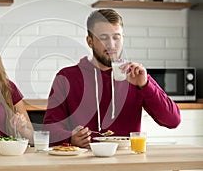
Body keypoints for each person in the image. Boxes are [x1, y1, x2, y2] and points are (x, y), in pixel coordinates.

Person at [43, 9, 181, 148]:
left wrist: (145, 86)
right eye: (103, 38)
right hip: (82, 162)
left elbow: (173, 121)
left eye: (116, 37)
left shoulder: (136, 76)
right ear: (89, 41)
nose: (111, 44)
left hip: (126, 162)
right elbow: (49, 130)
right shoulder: (66, 77)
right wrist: (70, 138)